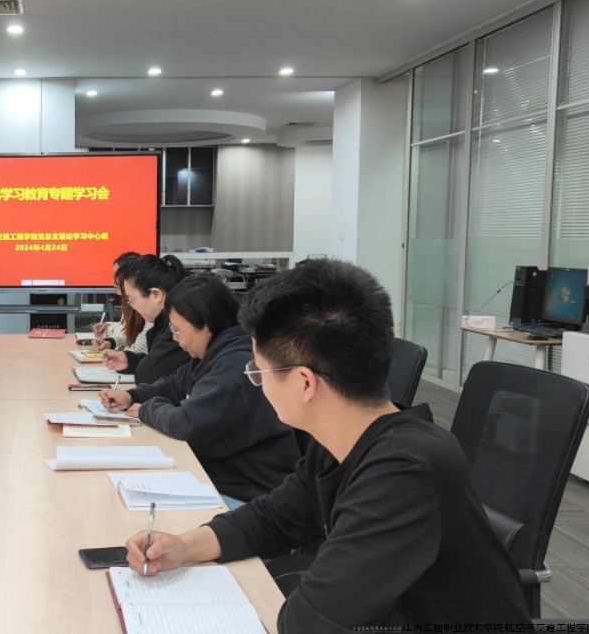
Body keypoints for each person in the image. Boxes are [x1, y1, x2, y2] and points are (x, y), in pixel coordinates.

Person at [123, 260, 530, 631]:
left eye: (257, 370)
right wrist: (182, 547)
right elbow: (271, 520)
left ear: (304, 383)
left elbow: (310, 622)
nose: (256, 382)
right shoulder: (340, 440)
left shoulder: (402, 471)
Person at [100, 275, 298, 507]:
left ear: (205, 325)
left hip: (249, 496)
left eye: (177, 329)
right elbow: (176, 383)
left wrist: (147, 409)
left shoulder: (234, 368)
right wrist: (133, 396)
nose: (174, 338)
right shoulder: (216, 352)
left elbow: (187, 425)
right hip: (220, 477)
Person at [100, 254, 190, 385]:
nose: (133, 306)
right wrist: (130, 361)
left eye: (132, 300)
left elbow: (150, 375)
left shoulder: (177, 325)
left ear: (156, 294)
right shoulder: (163, 322)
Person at [92, 252, 150, 355]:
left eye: (118, 275)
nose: (113, 280)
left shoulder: (146, 306)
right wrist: (111, 342)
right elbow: (129, 337)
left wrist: (110, 330)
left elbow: (133, 344)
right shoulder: (129, 302)